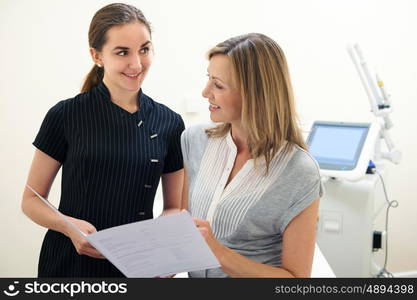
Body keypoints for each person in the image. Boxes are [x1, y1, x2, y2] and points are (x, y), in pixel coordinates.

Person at [21, 3, 184, 277]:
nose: (137, 63)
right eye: (122, 52)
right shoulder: (66, 114)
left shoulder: (169, 122)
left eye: (144, 49)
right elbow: (31, 200)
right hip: (69, 264)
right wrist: (68, 226)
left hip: (137, 267)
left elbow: (174, 207)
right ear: (97, 55)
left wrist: (164, 252)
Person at [181, 33, 322, 277]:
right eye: (208, 79)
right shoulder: (194, 140)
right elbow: (182, 228)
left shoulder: (299, 171)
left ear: (254, 94)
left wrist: (220, 254)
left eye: (218, 84)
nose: (206, 92)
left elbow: (297, 279)